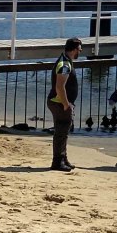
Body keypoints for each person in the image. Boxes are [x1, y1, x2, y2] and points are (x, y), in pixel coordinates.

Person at [47, 37, 82, 172]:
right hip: (59, 103)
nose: (80, 52)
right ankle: (57, 162)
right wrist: (66, 104)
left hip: (59, 103)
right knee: (61, 132)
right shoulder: (65, 65)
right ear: (74, 50)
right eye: (79, 49)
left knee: (63, 132)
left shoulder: (66, 62)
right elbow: (60, 87)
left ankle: (63, 158)